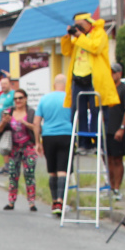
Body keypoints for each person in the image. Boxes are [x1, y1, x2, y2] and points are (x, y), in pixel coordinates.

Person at [61, 12, 119, 154]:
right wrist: (68, 37)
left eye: (80, 25)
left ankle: (96, 142)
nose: (78, 28)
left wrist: (80, 36)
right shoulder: (78, 37)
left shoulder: (99, 33)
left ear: (88, 23)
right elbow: (66, 51)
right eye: (76, 26)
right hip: (78, 79)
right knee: (78, 111)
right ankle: (82, 143)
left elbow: (95, 48)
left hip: (94, 79)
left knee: (96, 111)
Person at [34, 74, 73, 215]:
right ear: (66, 84)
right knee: (63, 169)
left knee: (52, 170)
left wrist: (37, 142)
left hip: (48, 136)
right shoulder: (70, 99)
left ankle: (54, 201)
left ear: (54, 84)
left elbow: (36, 122)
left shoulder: (44, 99)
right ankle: (60, 201)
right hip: (66, 134)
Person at [0, 89, 39, 211]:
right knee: (13, 174)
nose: (18, 101)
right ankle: (11, 201)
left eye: (20, 98)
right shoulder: (8, 112)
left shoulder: (31, 112)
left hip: (28, 146)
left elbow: (36, 128)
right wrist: (4, 123)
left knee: (29, 173)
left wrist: (26, 123)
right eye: (15, 99)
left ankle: (31, 202)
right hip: (14, 147)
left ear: (25, 99)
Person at [105, 63, 125, 201]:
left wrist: (122, 127)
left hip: (118, 129)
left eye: (114, 72)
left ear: (119, 74)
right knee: (108, 159)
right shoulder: (107, 89)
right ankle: (110, 186)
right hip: (107, 129)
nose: (111, 75)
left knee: (117, 159)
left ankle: (117, 187)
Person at [0, 77, 15, 175]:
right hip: (0, 123)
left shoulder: (13, 95)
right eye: (1, 84)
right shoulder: (1, 95)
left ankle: (10, 166)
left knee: (7, 144)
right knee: (2, 145)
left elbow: (15, 108)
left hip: (8, 124)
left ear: (10, 84)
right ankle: (6, 165)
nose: (3, 86)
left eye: (5, 84)